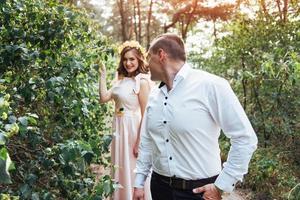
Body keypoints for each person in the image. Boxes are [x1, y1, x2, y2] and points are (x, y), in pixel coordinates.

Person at [133, 33, 258, 200]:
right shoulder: (154, 95)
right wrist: (139, 182)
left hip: (199, 193)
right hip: (159, 188)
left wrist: (221, 186)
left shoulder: (211, 85)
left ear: (161, 55)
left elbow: (245, 138)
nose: (146, 64)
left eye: (149, 57)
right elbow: (148, 141)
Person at [98, 41, 152, 200]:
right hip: (118, 130)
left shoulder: (141, 81)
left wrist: (139, 141)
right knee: (120, 167)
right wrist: (102, 75)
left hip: (133, 130)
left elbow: (146, 114)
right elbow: (103, 98)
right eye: (125, 59)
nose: (128, 63)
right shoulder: (120, 81)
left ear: (139, 60)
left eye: (132, 59)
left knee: (132, 168)